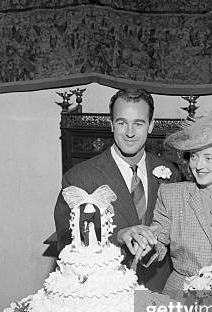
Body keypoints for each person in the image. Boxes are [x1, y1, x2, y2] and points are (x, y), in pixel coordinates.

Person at [118, 109, 212, 295]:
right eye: (194, 156)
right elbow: (158, 238)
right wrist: (147, 244)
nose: (198, 166)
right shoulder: (172, 194)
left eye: (209, 158)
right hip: (179, 299)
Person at [54, 88, 180, 291]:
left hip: (157, 289)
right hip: (103, 291)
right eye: (122, 123)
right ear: (111, 124)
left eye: (138, 123)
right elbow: (66, 242)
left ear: (151, 126)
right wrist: (116, 236)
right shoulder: (79, 177)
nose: (130, 133)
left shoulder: (169, 173)